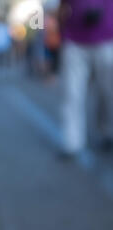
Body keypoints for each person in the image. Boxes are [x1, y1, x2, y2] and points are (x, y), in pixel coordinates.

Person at [59, 0, 113, 156]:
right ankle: (71, 142)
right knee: (71, 93)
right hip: (74, 41)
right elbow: (62, 7)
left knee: (108, 92)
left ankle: (108, 132)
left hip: (107, 40)